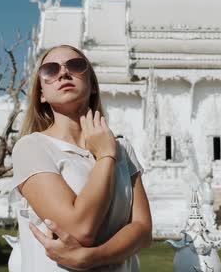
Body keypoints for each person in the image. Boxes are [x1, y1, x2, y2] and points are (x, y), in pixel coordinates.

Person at [9, 45, 152, 271]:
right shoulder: (31, 148)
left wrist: (91, 258)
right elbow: (80, 229)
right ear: (42, 94)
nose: (63, 73)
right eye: (50, 70)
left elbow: (143, 230)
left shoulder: (123, 149)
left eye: (75, 66)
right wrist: (105, 156)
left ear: (93, 85)